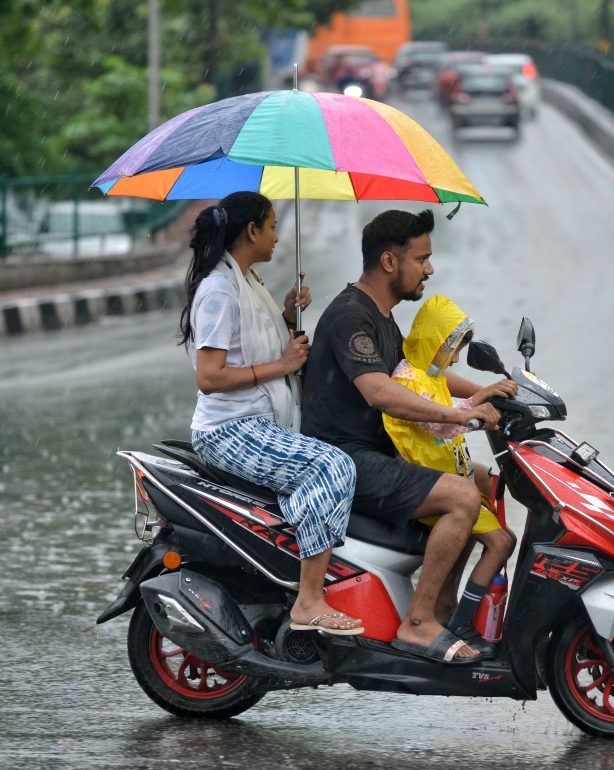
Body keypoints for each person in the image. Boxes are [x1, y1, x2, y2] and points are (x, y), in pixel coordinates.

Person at [301, 209, 515, 664]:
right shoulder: (350, 316)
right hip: (347, 459)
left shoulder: (382, 317)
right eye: (423, 259)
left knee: (479, 481)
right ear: (389, 261)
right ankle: (418, 623)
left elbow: (418, 376)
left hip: (380, 451)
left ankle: (444, 607)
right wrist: (458, 417)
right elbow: (380, 392)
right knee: (461, 498)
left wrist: (487, 392)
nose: (430, 270)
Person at [183, 192, 362, 635]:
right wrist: (282, 366)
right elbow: (209, 376)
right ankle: (309, 600)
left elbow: (254, 343)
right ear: (252, 231)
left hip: (259, 420)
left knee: (334, 454)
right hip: (228, 429)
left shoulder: (248, 281)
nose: (279, 237)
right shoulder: (219, 290)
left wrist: (286, 314)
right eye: (273, 226)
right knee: (333, 466)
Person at [382, 294, 517, 657]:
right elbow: (438, 422)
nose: (455, 358)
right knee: (502, 542)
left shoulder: (430, 373)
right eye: (452, 349)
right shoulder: (408, 381)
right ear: (435, 342)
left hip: (448, 469)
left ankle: (448, 607)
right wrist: (477, 405)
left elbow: (449, 403)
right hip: (427, 481)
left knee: (493, 481)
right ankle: (461, 624)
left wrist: (489, 395)